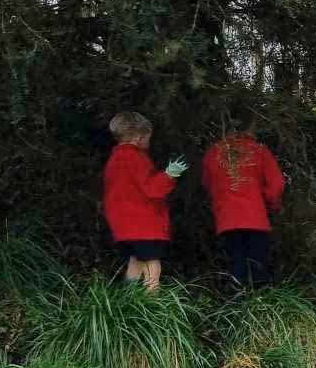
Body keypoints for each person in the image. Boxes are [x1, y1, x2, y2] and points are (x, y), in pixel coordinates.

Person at [102, 111, 186, 292]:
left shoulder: (114, 159)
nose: (149, 141)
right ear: (139, 137)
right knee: (152, 265)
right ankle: (152, 304)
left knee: (135, 260)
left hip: (123, 226)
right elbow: (152, 189)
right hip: (143, 223)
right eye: (148, 137)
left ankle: (128, 301)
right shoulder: (135, 157)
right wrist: (169, 175)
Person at [201, 118, 286, 289]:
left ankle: (235, 306)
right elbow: (277, 184)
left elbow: (207, 183)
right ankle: (261, 306)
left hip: (227, 219)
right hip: (256, 218)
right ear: (251, 128)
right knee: (258, 265)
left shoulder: (213, 153)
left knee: (235, 264)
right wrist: (271, 204)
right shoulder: (259, 151)